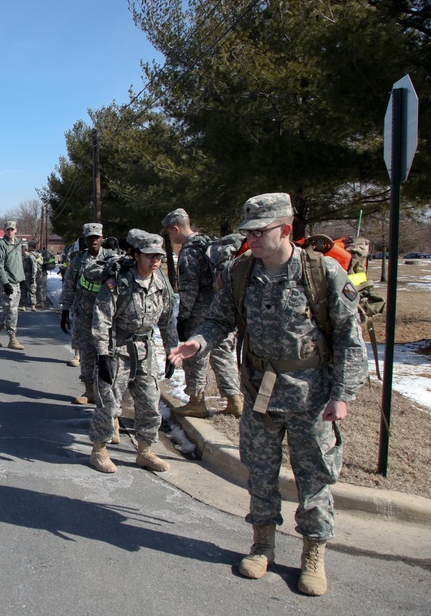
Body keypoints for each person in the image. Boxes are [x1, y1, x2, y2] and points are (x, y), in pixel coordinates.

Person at [169, 193, 366, 596]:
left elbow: (349, 340)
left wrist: (342, 394)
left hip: (312, 396)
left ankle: (313, 554)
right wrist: (198, 343)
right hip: (260, 391)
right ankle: (262, 546)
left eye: (260, 232)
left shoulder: (322, 272)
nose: (251, 239)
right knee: (260, 472)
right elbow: (220, 319)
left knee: (314, 478)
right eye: (248, 232)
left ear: (285, 230)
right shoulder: (242, 272)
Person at [89, 230, 177, 474]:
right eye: (149, 255)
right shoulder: (120, 281)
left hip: (146, 351)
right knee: (109, 402)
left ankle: (145, 451)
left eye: (158, 256)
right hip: (118, 349)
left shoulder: (161, 282)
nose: (155, 260)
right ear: (137, 255)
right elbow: (102, 318)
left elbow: (168, 319)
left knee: (149, 402)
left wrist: (171, 350)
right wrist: (103, 354)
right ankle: (99, 450)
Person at [162, 208, 242, 418]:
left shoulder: (189, 252)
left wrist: (183, 316)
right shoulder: (208, 245)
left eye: (170, 233)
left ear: (176, 228)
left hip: (200, 312)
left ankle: (196, 402)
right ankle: (234, 399)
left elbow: (189, 289)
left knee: (195, 358)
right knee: (223, 354)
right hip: (222, 311)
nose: (171, 237)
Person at [59, 223, 112, 405]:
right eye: (90, 237)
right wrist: (65, 309)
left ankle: (106, 394)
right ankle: (89, 391)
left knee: (107, 355)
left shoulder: (112, 259)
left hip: (107, 316)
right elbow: (69, 284)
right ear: (85, 239)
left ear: (102, 238)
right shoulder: (78, 259)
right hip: (84, 315)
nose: (94, 240)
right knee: (88, 354)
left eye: (97, 237)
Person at [0, 221, 26, 350]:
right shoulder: (1, 245)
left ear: (16, 230)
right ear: (4, 230)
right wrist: (5, 282)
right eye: (8, 229)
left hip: (17, 281)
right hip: (8, 283)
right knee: (12, 312)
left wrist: (22, 277)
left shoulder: (18, 243)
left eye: (12, 229)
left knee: (9, 310)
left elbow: (18, 262)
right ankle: (12, 339)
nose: (10, 231)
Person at [19, 241, 37, 312]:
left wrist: (33, 277)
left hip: (29, 277)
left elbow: (34, 267)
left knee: (32, 291)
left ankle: (33, 306)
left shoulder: (30, 257)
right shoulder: (20, 257)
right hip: (22, 277)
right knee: (23, 292)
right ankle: (24, 305)